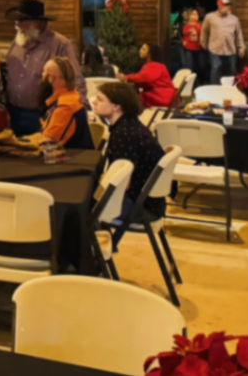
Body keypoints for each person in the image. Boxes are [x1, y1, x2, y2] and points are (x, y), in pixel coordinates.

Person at [91, 81, 165, 241]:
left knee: (76, 208)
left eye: (100, 99)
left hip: (141, 209)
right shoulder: (129, 126)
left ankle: (87, 259)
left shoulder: (124, 134)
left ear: (116, 106)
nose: (94, 102)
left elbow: (123, 185)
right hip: (149, 203)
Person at [4, 0, 86, 136]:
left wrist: (77, 112)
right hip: (13, 115)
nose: (16, 24)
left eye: (22, 20)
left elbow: (76, 82)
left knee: (42, 156)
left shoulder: (60, 44)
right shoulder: (17, 42)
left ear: (39, 22)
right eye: (16, 20)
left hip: (44, 116)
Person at [35, 57, 93, 149]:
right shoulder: (71, 95)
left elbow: (47, 142)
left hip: (68, 159)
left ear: (51, 78)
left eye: (44, 72)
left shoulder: (65, 106)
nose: (41, 76)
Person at [201, 0, 246, 85]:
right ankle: (214, 89)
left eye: (229, 5)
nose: (228, 7)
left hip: (230, 50)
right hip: (215, 49)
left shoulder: (234, 19)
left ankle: (229, 89)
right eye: (225, 5)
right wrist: (203, 42)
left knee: (231, 71)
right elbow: (204, 31)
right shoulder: (209, 17)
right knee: (215, 69)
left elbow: (238, 34)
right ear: (219, 5)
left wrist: (241, 47)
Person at [125, 44, 177, 109]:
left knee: (128, 101)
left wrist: (125, 77)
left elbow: (144, 78)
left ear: (149, 54)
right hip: (161, 96)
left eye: (143, 49)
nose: (140, 51)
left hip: (161, 97)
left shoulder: (155, 65)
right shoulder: (155, 65)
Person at [181, 8, 204, 76]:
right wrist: (183, 41)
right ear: (189, 16)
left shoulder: (200, 25)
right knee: (190, 66)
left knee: (201, 65)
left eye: (197, 14)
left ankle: (200, 81)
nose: (196, 15)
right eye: (194, 14)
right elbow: (181, 35)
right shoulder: (184, 25)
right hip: (189, 48)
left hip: (199, 48)